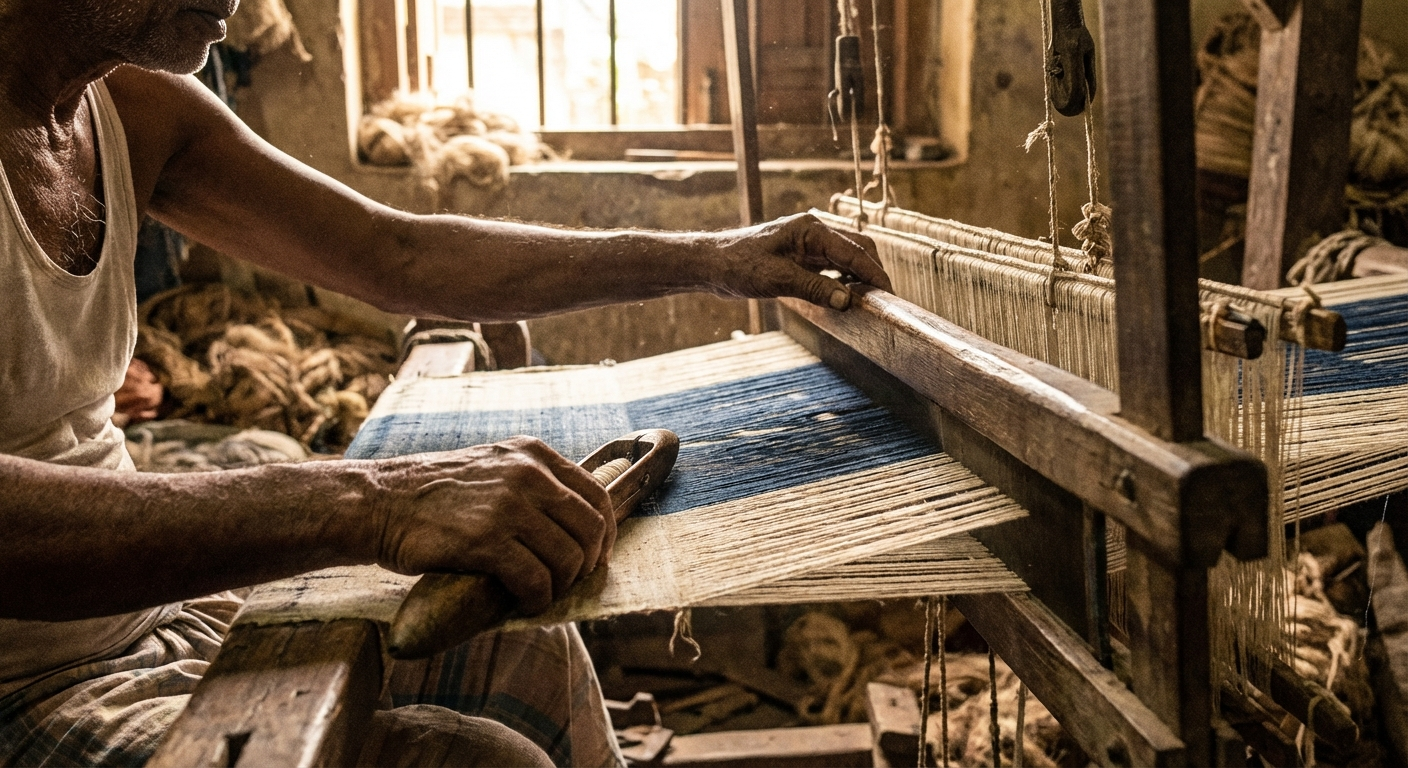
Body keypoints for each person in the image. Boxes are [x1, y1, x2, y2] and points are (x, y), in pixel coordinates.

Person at [0, 0, 890, 765]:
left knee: (536, 659)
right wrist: (370, 502)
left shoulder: (130, 109)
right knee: (475, 762)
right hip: (21, 687)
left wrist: (716, 258)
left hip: (141, 616)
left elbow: (395, 253)